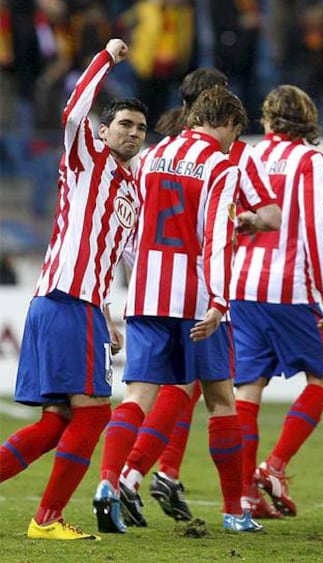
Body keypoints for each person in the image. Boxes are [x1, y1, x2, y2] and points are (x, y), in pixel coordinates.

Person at [93, 85, 264, 534]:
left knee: (136, 397)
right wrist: (221, 301)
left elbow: (130, 226)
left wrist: (134, 280)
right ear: (224, 122)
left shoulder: (151, 154)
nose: (234, 142)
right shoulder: (220, 165)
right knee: (222, 401)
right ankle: (234, 512)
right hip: (196, 299)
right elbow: (217, 238)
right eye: (234, 132)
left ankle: (107, 485)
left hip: (148, 293)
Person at [0, 38, 148, 541]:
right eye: (123, 124)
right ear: (103, 130)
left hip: (75, 306)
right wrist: (105, 57)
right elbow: (72, 110)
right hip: (66, 301)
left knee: (57, 422)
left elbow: (120, 258)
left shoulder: (132, 191)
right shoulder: (87, 156)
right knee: (95, 415)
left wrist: (110, 317)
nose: (132, 133)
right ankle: (47, 519)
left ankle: (47, 517)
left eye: (139, 128)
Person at [230, 84, 323, 517]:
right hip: (287, 287)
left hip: (242, 287)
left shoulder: (250, 156)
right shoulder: (310, 160)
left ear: (269, 118)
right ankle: (273, 467)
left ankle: (245, 495)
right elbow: (314, 227)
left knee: (248, 389)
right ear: (307, 119)